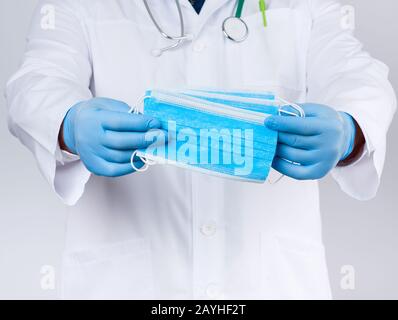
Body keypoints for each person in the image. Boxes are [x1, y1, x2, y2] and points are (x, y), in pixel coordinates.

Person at [6, 0, 396, 299]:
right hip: (129, 285)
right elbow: (37, 83)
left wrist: (351, 129)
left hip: (267, 285)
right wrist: (67, 123)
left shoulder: (305, 6)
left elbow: (357, 75)